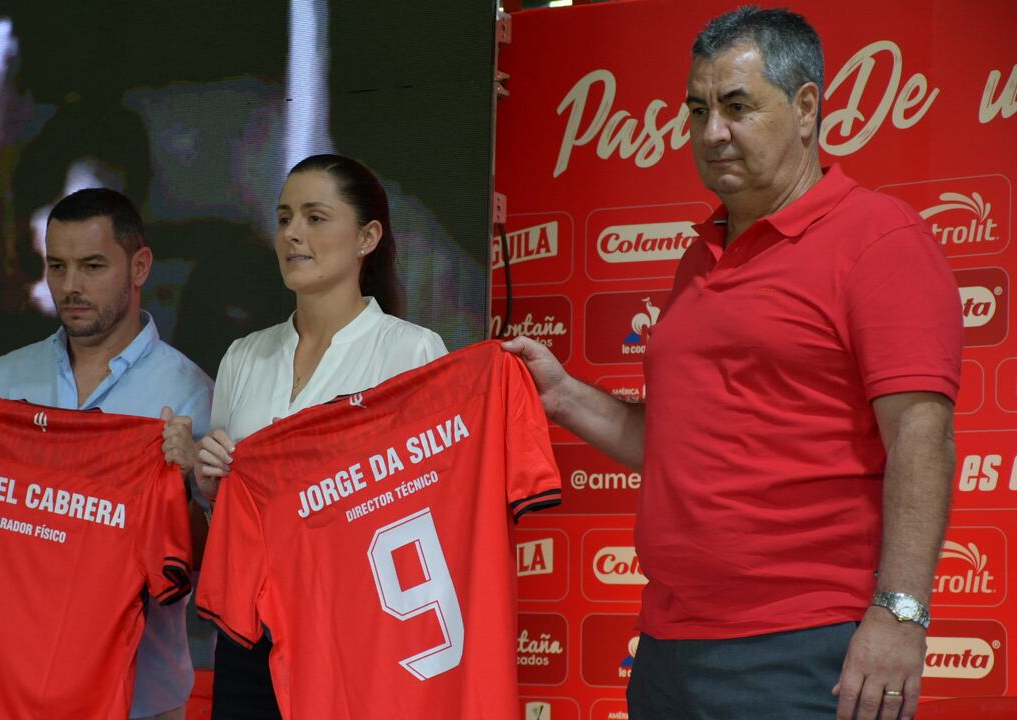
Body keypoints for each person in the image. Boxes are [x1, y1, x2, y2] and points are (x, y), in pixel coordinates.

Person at [505, 7, 961, 720]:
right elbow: (676, 443)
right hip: (667, 647)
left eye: (737, 106)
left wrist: (899, 616)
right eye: (697, 109)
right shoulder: (701, 254)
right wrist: (561, 394)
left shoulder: (880, 239)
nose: (711, 131)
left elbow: (921, 438)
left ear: (805, 107)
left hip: (804, 650)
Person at [0, 188, 212, 720]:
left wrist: (190, 481)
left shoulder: (191, 395)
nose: (70, 286)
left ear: (139, 266)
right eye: (56, 266)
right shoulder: (5, 380)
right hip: (1, 688)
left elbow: (200, 564)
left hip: (138, 702)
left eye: (92, 265)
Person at [189, 153, 448, 719]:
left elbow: (424, 511)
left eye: (314, 217)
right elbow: (233, 519)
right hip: (248, 635)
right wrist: (211, 490)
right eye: (284, 218)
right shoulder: (243, 356)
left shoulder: (413, 352)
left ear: (368, 237)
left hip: (357, 632)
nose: (292, 234)